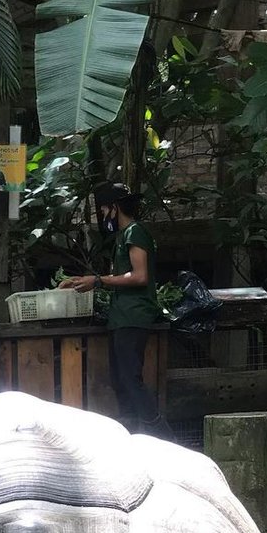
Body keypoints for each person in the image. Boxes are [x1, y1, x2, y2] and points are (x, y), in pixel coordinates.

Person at [60, 182, 172, 439]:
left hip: (134, 316)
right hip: (121, 316)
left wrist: (98, 281)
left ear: (115, 208)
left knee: (130, 379)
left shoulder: (135, 233)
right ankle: (133, 435)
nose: (102, 216)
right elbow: (121, 276)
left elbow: (139, 276)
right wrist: (83, 280)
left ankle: (164, 438)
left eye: (103, 210)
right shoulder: (124, 236)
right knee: (120, 380)